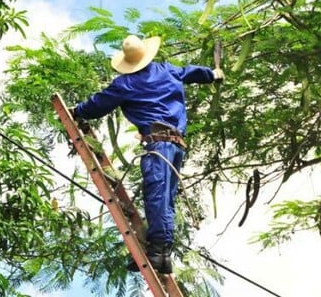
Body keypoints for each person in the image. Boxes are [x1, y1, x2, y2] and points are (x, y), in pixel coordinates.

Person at [70, 34, 224, 274]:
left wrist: (77, 111)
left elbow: (97, 105)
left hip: (158, 145)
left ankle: (158, 251)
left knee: (157, 196)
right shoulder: (166, 70)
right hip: (176, 146)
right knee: (166, 199)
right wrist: (213, 74)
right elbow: (190, 72)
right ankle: (162, 255)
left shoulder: (125, 84)